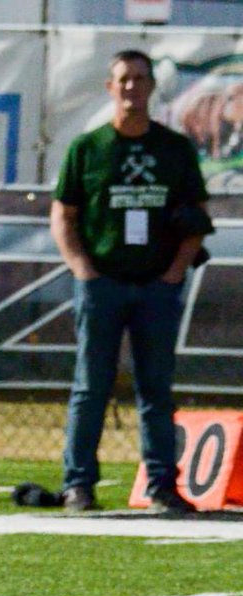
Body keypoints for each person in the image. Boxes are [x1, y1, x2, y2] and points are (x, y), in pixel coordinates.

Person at [51, 49, 213, 516]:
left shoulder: (174, 149)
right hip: (102, 284)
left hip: (156, 286)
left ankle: (163, 487)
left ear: (151, 87)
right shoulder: (88, 148)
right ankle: (78, 485)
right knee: (90, 388)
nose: (131, 87)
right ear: (110, 86)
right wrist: (83, 269)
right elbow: (64, 215)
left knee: (156, 390)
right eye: (123, 79)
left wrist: (174, 272)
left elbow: (197, 217)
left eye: (140, 79)